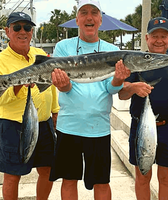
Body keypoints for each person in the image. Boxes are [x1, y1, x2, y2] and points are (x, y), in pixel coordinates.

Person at [49, 0, 131, 199]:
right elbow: (68, 88)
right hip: (69, 126)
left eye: (94, 12)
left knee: (101, 181)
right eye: (84, 12)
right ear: (77, 19)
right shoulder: (63, 47)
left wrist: (119, 78)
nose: (89, 17)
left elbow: (109, 88)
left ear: (100, 20)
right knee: (69, 179)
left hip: (99, 127)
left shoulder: (112, 50)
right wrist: (62, 84)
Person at [0, 12, 60, 200]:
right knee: (12, 175)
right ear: (7, 31)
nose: (23, 32)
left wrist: (55, 111)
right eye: (17, 27)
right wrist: (19, 83)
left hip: (43, 123)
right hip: (14, 126)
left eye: (27, 28)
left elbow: (50, 86)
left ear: (32, 31)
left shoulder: (40, 55)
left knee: (48, 169)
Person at [118, 17, 168, 200]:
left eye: (163, 36)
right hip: (141, 127)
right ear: (146, 38)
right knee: (142, 176)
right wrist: (132, 87)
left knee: (166, 178)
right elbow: (121, 94)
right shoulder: (134, 64)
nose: (159, 40)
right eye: (154, 36)